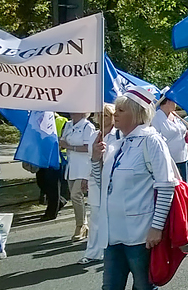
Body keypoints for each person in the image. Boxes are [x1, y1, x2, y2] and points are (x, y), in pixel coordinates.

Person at [91, 86, 178, 290]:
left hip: (140, 236)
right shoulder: (118, 143)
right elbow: (102, 185)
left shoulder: (152, 141)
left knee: (143, 287)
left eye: (121, 110)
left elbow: (166, 186)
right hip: (113, 234)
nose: (115, 114)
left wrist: (156, 228)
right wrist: (96, 160)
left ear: (137, 113)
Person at [78, 105, 117, 265]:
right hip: (95, 180)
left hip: (112, 182)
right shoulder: (94, 135)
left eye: (106, 115)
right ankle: (93, 252)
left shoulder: (118, 135)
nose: (102, 118)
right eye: (100, 115)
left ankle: (111, 250)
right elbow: (90, 158)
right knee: (95, 217)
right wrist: (85, 177)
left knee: (111, 217)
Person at [60, 112, 96, 242]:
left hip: (84, 166)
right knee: (74, 196)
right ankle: (83, 224)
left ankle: (80, 225)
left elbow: (88, 147)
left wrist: (69, 146)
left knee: (76, 194)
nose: (72, 112)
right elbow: (62, 140)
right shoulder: (68, 125)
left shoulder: (88, 126)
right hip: (71, 166)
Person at [152, 95, 188, 183]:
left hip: (182, 158)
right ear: (168, 102)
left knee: (184, 187)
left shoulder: (174, 115)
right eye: (174, 101)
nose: (176, 104)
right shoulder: (156, 118)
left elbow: (179, 133)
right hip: (168, 160)